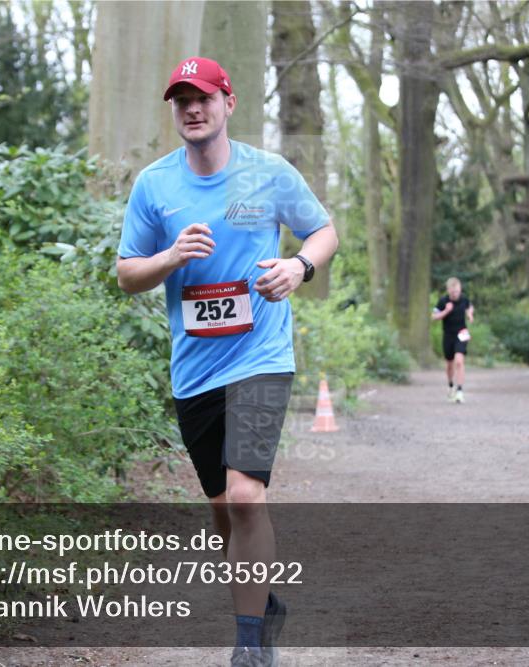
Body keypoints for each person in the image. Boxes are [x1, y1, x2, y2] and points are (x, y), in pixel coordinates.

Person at [116, 56, 339, 667]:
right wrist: (168, 258)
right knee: (223, 509)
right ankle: (262, 606)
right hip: (195, 372)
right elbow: (127, 273)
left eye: (203, 97)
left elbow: (323, 231)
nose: (192, 108)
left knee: (246, 498)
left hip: (260, 357)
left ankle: (248, 648)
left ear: (228, 103)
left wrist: (298, 266)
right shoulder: (155, 185)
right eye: (182, 99)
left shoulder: (267, 173)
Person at [432, 277, 474, 404]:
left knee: (459, 361)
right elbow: (434, 316)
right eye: (453, 292)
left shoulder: (464, 299)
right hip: (448, 335)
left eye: (457, 291)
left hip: (461, 334)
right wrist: (446, 311)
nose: (455, 294)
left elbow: (469, 307)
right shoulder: (443, 301)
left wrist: (470, 314)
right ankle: (451, 386)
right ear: (448, 290)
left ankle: (460, 391)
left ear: (460, 289)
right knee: (450, 364)